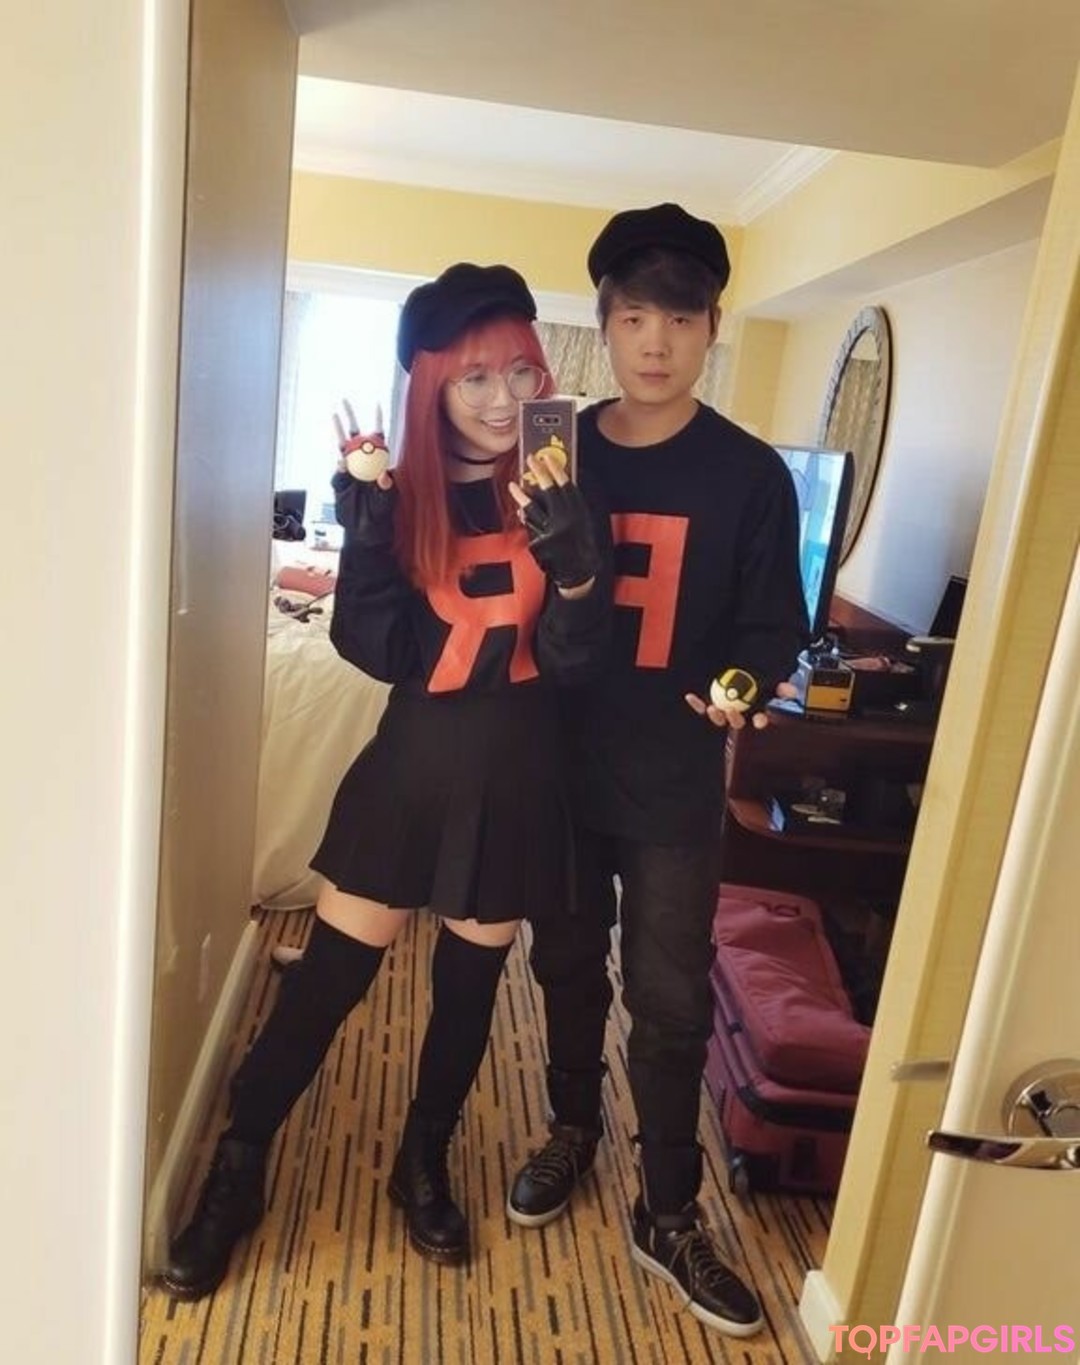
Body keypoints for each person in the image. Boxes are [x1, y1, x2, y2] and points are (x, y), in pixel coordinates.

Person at [161, 262, 610, 1301]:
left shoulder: (560, 490)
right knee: (328, 979)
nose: (502, 398)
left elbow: (578, 664)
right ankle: (239, 1166)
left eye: (520, 372)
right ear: (431, 386)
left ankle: (423, 1160)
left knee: (468, 993)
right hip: (417, 764)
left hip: (522, 767)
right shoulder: (397, 496)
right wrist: (367, 540)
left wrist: (581, 572)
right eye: (474, 377)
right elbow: (379, 650)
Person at [505, 205, 808, 1338]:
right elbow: (505, 591)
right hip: (559, 761)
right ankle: (571, 1129)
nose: (656, 342)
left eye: (680, 319)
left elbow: (775, 624)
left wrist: (741, 684)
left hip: (674, 778)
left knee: (672, 998)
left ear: (712, 328)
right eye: (635, 317)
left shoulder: (750, 475)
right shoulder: (555, 451)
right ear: (605, 325)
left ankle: (669, 1207)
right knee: (565, 965)